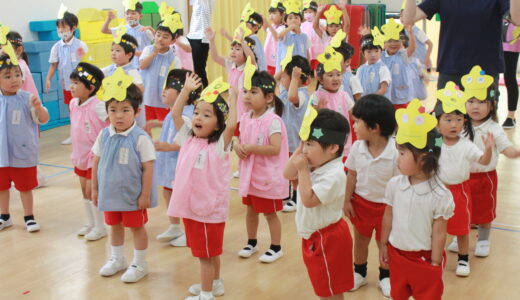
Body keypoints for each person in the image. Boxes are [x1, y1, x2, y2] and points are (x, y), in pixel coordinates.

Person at [168, 78, 237, 300]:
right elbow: (176, 115)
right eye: (197, 112)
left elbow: (233, 124)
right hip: (191, 208)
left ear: (218, 124)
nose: (198, 117)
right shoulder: (189, 137)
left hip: (209, 211)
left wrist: (234, 100)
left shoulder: (220, 146)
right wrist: (186, 90)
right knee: (209, 252)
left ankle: (206, 294)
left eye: (207, 115)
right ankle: (214, 284)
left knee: (206, 255)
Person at [380, 99, 454, 300]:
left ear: (423, 159)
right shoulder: (395, 184)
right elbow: (388, 215)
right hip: (397, 254)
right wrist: (383, 244)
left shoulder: (439, 194)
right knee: (399, 294)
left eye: (402, 153)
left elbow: (439, 232)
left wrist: (435, 263)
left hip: (424, 258)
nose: (398, 158)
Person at [92, 68, 156, 283]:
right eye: (113, 110)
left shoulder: (140, 138)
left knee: (136, 227)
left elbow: (148, 168)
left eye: (125, 110)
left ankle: (140, 263)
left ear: (136, 112)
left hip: (132, 195)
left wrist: (145, 194)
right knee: (114, 226)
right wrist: (95, 188)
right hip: (110, 193)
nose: (118, 115)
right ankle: (117, 258)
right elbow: (96, 162)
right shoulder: (104, 134)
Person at [283, 108, 354, 300]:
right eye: (304, 143)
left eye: (310, 144)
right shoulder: (317, 164)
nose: (305, 150)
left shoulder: (335, 174)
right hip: (315, 237)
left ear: (332, 148)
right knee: (324, 288)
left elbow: (309, 199)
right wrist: (300, 150)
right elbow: (287, 174)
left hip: (329, 238)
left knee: (331, 290)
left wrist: (304, 171)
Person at [434, 80, 494, 277]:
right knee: (435, 228)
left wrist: (488, 149)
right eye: (449, 120)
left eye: (459, 120)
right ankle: (434, 257)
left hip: (459, 191)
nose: (454, 124)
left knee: (462, 228)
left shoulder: (466, 145)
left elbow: (483, 161)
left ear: (464, 122)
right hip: (437, 191)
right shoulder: (435, 143)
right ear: (437, 122)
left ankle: (463, 259)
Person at [461, 66, 520, 257]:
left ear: (492, 105)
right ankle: (460, 236)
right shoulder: (460, 124)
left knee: (484, 211)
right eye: (471, 101)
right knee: (462, 209)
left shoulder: (494, 128)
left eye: (481, 102)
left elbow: (506, 148)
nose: (475, 106)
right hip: (461, 176)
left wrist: (515, 152)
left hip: (485, 177)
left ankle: (483, 239)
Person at [344, 95, 397, 298]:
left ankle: (386, 275)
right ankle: (359, 272)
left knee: (384, 243)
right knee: (360, 241)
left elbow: (399, 185)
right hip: (361, 204)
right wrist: (347, 199)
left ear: (374, 127)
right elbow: (352, 174)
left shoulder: (395, 152)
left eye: (357, 122)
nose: (354, 126)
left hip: (387, 208)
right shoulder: (358, 147)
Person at [402, 0, 520, 90]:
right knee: (448, 118)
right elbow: (408, 19)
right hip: (451, 69)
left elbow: (517, 19)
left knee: (483, 121)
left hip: (485, 71)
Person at [236, 63, 289, 263]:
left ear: (268, 98)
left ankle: (276, 246)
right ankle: (252, 241)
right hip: (250, 175)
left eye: (253, 92)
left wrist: (249, 148)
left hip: (268, 177)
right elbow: (240, 139)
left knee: (269, 213)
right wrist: (237, 146)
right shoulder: (245, 117)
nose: (247, 96)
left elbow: (274, 148)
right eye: (245, 91)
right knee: (250, 211)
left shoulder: (273, 121)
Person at [148, 69, 201, 247]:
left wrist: (166, 146)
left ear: (182, 94)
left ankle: (189, 231)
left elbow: (187, 140)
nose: (163, 91)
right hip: (169, 163)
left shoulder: (186, 113)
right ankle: (175, 226)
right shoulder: (173, 112)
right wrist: (160, 123)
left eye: (169, 88)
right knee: (168, 192)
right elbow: (173, 126)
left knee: (183, 197)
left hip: (179, 163)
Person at [0, 52, 49, 232]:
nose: (14, 79)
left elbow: (43, 119)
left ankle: (29, 216)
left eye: (17, 75)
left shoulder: (28, 98)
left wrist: (38, 107)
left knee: (25, 187)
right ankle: (4, 216)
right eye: (7, 76)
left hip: (22, 151)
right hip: (1, 153)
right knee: (1, 187)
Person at [68, 63, 108, 241]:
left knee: (93, 191)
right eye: (72, 82)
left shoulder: (99, 106)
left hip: (95, 157)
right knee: (84, 190)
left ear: (91, 87)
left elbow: (113, 122)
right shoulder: (73, 104)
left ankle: (101, 226)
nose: (72, 86)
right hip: (80, 155)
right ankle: (91, 222)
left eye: (77, 83)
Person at [46, 9, 88, 145]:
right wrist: (48, 79)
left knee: (84, 108)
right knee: (72, 109)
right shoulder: (56, 47)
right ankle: (74, 134)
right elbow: (53, 65)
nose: (61, 30)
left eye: (63, 27)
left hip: (82, 86)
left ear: (73, 27)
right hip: (67, 86)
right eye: (58, 27)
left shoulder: (80, 45)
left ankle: (86, 132)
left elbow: (87, 64)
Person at [277, 54, 312, 212]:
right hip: (286, 141)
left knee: (297, 171)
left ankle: (297, 197)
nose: (282, 79)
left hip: (297, 142)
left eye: (285, 77)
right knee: (288, 169)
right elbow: (273, 85)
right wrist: (281, 74)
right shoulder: (284, 92)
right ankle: (288, 194)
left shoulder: (303, 94)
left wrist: (294, 78)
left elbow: (293, 96)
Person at [312, 46, 354, 156]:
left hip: (342, 139)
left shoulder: (344, 95)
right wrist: (318, 110)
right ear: (321, 79)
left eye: (338, 75)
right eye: (330, 75)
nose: (335, 78)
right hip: (324, 140)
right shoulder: (316, 96)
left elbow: (353, 115)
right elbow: (309, 117)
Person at [140, 14, 183, 121]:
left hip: (163, 102)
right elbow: (142, 66)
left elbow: (176, 81)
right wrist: (154, 54)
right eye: (158, 35)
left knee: (164, 125)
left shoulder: (174, 59)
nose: (160, 39)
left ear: (172, 41)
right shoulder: (148, 50)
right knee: (146, 125)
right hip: (146, 98)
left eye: (165, 37)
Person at [102, 32, 145, 127]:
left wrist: (125, 83)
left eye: (117, 51)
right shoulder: (111, 68)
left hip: (128, 110)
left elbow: (141, 88)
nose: (113, 53)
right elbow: (98, 73)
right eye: (112, 50)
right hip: (116, 107)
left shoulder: (131, 71)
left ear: (129, 55)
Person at [101, 1, 154, 68]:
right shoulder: (121, 29)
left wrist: (151, 30)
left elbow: (157, 42)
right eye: (127, 13)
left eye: (133, 13)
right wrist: (108, 19)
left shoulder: (145, 30)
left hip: (144, 64)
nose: (130, 16)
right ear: (124, 15)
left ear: (140, 16)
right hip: (128, 65)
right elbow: (104, 30)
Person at [379, 20, 416, 110]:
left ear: (401, 42)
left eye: (396, 41)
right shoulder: (381, 56)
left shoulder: (402, 55)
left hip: (401, 97)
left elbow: (412, 49)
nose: (393, 44)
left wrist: (410, 33)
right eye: (389, 41)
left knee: (402, 118)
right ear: (384, 42)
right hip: (386, 96)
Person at [187, 0, 215, 87]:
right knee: (192, 69)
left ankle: (205, 95)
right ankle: (194, 93)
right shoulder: (195, 2)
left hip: (201, 38)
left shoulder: (206, 3)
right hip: (192, 36)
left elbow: (204, 15)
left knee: (199, 69)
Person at [356, 34, 391, 99]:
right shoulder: (360, 69)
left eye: (376, 51)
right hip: (364, 104)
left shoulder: (382, 68)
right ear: (363, 53)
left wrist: (370, 99)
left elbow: (383, 89)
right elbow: (357, 89)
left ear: (381, 51)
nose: (373, 55)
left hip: (379, 103)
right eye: (369, 52)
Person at [502, 20, 520, 128]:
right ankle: (489, 112)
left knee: (509, 76)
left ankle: (511, 116)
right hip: (497, 33)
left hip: (513, 36)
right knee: (489, 76)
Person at [264, 1, 286, 76]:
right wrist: (264, 22)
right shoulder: (273, 26)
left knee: (276, 80)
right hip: (268, 59)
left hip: (276, 60)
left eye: (274, 13)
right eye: (270, 13)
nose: (271, 16)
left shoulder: (283, 28)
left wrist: (268, 24)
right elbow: (267, 30)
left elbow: (277, 37)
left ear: (282, 15)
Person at [301, 1, 324, 71]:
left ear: (315, 12)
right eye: (305, 12)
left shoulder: (319, 23)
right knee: (307, 70)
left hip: (318, 52)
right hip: (307, 53)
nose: (307, 15)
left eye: (310, 12)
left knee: (317, 71)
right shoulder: (302, 25)